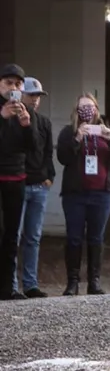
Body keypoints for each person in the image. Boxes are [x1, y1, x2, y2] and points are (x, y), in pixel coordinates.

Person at [57, 93, 110, 296]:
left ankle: (94, 281)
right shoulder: (68, 132)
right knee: (74, 238)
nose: (87, 110)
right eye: (83, 107)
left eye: (90, 106)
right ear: (76, 111)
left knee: (96, 238)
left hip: (102, 194)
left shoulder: (107, 131)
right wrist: (78, 137)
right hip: (75, 195)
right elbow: (63, 157)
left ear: (96, 109)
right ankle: (72, 282)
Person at [11, 77, 55, 298]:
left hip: (39, 185)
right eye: (31, 95)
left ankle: (30, 284)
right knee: (13, 236)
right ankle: (10, 285)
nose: (35, 100)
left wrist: (49, 176)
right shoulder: (10, 121)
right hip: (17, 184)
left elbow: (48, 152)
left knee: (33, 237)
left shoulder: (44, 122)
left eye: (38, 96)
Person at [0, 63, 40, 300]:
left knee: (12, 235)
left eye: (17, 84)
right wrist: (2, 118)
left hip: (16, 178)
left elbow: (33, 147)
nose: (13, 88)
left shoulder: (27, 111)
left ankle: (7, 288)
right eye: (8, 83)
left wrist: (26, 125)